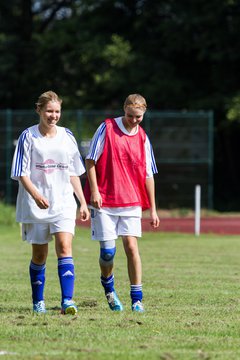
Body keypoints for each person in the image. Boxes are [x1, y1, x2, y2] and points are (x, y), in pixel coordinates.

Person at [11, 90, 89, 315]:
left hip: (63, 202)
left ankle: (67, 301)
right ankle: (39, 302)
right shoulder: (28, 136)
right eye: (49, 111)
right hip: (36, 204)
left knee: (65, 247)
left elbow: (73, 172)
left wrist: (82, 201)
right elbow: (21, 173)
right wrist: (36, 195)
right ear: (39, 110)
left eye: (57, 111)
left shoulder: (67, 136)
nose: (53, 115)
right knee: (39, 255)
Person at [84, 93, 160, 312]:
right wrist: (95, 191)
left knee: (131, 246)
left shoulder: (143, 137)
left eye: (139, 117)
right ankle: (109, 289)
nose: (134, 120)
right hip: (105, 201)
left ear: (144, 114)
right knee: (108, 253)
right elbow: (90, 160)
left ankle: (137, 299)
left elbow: (148, 174)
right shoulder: (106, 128)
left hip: (131, 201)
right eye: (130, 115)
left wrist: (153, 209)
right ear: (124, 109)